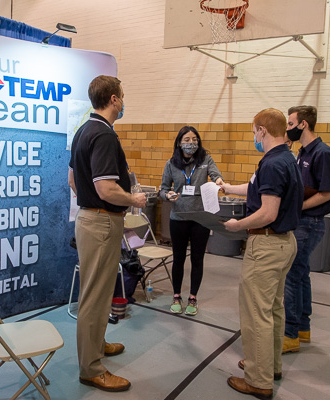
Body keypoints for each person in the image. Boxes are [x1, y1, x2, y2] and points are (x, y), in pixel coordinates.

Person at [68, 75, 147, 392]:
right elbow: (105, 188)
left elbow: (73, 180)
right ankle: (91, 368)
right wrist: (133, 199)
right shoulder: (103, 135)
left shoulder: (83, 131)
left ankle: (96, 344)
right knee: (94, 297)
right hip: (100, 222)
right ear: (113, 99)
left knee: (99, 293)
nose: (124, 101)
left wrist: (92, 204)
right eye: (122, 96)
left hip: (92, 219)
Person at [220, 108, 303, 399]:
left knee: (256, 314)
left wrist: (237, 225)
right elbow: (257, 188)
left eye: (255, 131)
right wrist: (228, 187)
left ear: (262, 131)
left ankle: (258, 379)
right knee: (273, 309)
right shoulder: (286, 158)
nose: (254, 136)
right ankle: (270, 366)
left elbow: (268, 212)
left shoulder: (272, 163)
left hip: (266, 245)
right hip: (284, 244)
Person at [282, 105, 330, 353]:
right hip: (301, 220)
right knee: (301, 273)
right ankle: (303, 328)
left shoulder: (323, 153)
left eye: (290, 124)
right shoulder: (302, 152)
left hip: (310, 222)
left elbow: (327, 193)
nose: (288, 129)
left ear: (303, 124)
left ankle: (290, 334)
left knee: (292, 276)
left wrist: (298, 206)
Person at [159, 126, 224, 316]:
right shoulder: (171, 163)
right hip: (178, 217)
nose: (191, 143)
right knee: (178, 258)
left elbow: (216, 175)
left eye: (194, 140)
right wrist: (167, 195)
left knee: (197, 259)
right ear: (179, 143)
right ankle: (176, 296)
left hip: (200, 219)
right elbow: (162, 189)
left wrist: (219, 181)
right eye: (187, 140)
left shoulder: (205, 160)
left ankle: (193, 298)